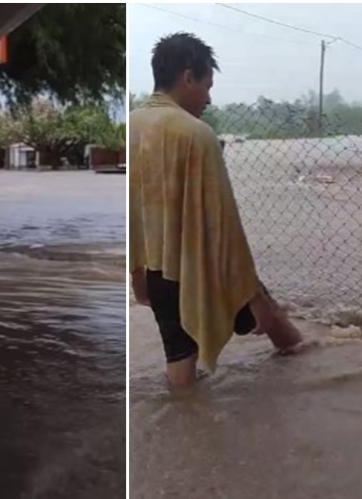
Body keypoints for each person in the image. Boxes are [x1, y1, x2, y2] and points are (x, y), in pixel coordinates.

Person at [129, 33, 304, 389]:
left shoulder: (132, 126)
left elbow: (134, 214)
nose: (209, 98)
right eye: (207, 86)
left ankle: (183, 431)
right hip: (201, 269)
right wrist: (250, 292)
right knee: (274, 321)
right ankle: (309, 364)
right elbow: (223, 222)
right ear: (187, 77)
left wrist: (136, 274)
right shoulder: (198, 134)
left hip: (156, 271)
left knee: (179, 360)